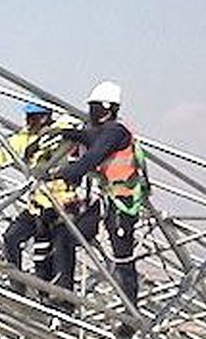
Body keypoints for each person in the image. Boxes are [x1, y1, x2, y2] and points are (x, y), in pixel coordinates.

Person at [48, 80, 149, 305]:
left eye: (93, 107)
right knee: (66, 236)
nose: (90, 112)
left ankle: (130, 310)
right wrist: (68, 133)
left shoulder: (117, 132)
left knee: (123, 257)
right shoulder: (106, 132)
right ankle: (66, 297)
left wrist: (61, 173)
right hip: (106, 201)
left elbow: (94, 155)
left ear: (105, 108)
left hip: (122, 204)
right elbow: (92, 138)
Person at [0, 103, 79, 295]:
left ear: (45, 117)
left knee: (55, 254)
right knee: (11, 237)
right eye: (28, 118)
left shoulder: (62, 134)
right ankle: (17, 283)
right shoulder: (25, 137)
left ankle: (57, 297)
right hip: (37, 206)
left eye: (34, 117)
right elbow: (3, 153)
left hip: (61, 206)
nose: (29, 122)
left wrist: (48, 136)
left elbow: (76, 125)